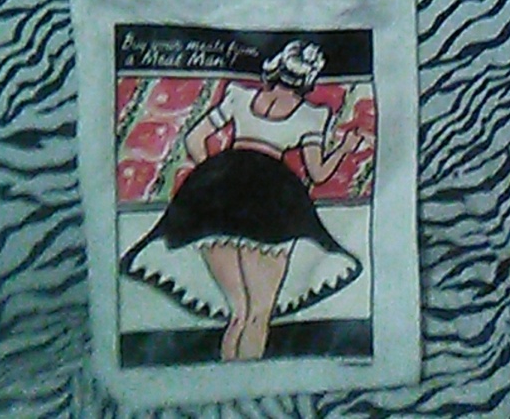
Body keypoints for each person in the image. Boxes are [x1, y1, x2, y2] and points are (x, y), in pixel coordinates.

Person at [121, 40, 369, 362]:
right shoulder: (312, 115)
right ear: (308, 79)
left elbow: (195, 138)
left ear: (276, 69)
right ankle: (252, 380)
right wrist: (345, 148)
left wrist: (220, 179)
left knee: (238, 313)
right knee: (259, 314)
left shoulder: (239, 95)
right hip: (271, 201)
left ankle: (228, 380)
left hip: (219, 200)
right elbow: (318, 174)